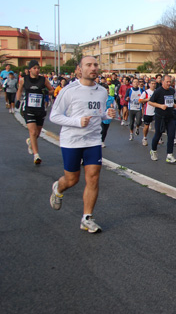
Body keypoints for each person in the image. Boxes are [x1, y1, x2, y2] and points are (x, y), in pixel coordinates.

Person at [49, 56, 117, 233]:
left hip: (93, 140)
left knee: (93, 176)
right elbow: (54, 116)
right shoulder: (69, 90)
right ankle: (58, 187)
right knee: (72, 179)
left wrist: (107, 115)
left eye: (95, 65)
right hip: (72, 140)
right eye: (89, 65)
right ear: (80, 69)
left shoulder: (102, 91)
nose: (93, 68)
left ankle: (87, 217)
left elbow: (98, 114)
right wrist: (77, 122)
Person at [15, 60, 55, 164]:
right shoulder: (24, 80)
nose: (37, 70)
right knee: (32, 132)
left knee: (37, 133)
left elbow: (52, 90)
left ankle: (30, 142)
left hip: (40, 109)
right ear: (30, 70)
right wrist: (18, 101)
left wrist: (46, 92)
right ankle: (36, 155)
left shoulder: (43, 80)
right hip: (29, 109)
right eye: (35, 68)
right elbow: (19, 90)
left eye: (38, 68)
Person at [148, 75, 176, 164]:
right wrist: (160, 106)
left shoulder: (172, 90)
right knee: (158, 134)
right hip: (160, 117)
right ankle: (153, 150)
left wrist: (175, 104)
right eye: (167, 82)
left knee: (171, 135)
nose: (169, 83)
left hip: (171, 116)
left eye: (170, 82)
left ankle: (169, 155)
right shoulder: (158, 91)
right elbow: (150, 102)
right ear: (162, 82)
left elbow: (172, 101)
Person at [139, 79, 156, 146]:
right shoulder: (145, 92)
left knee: (157, 126)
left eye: (154, 83)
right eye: (152, 83)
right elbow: (140, 100)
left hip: (156, 112)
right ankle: (144, 138)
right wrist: (147, 99)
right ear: (149, 84)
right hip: (148, 112)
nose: (153, 85)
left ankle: (157, 138)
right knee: (146, 126)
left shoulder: (157, 92)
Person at [100, 83, 116, 147]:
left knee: (105, 130)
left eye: (107, 90)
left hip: (107, 117)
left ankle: (102, 141)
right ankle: (99, 141)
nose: (107, 92)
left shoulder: (111, 98)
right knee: (102, 129)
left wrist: (112, 107)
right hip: (100, 117)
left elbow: (114, 106)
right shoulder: (99, 98)